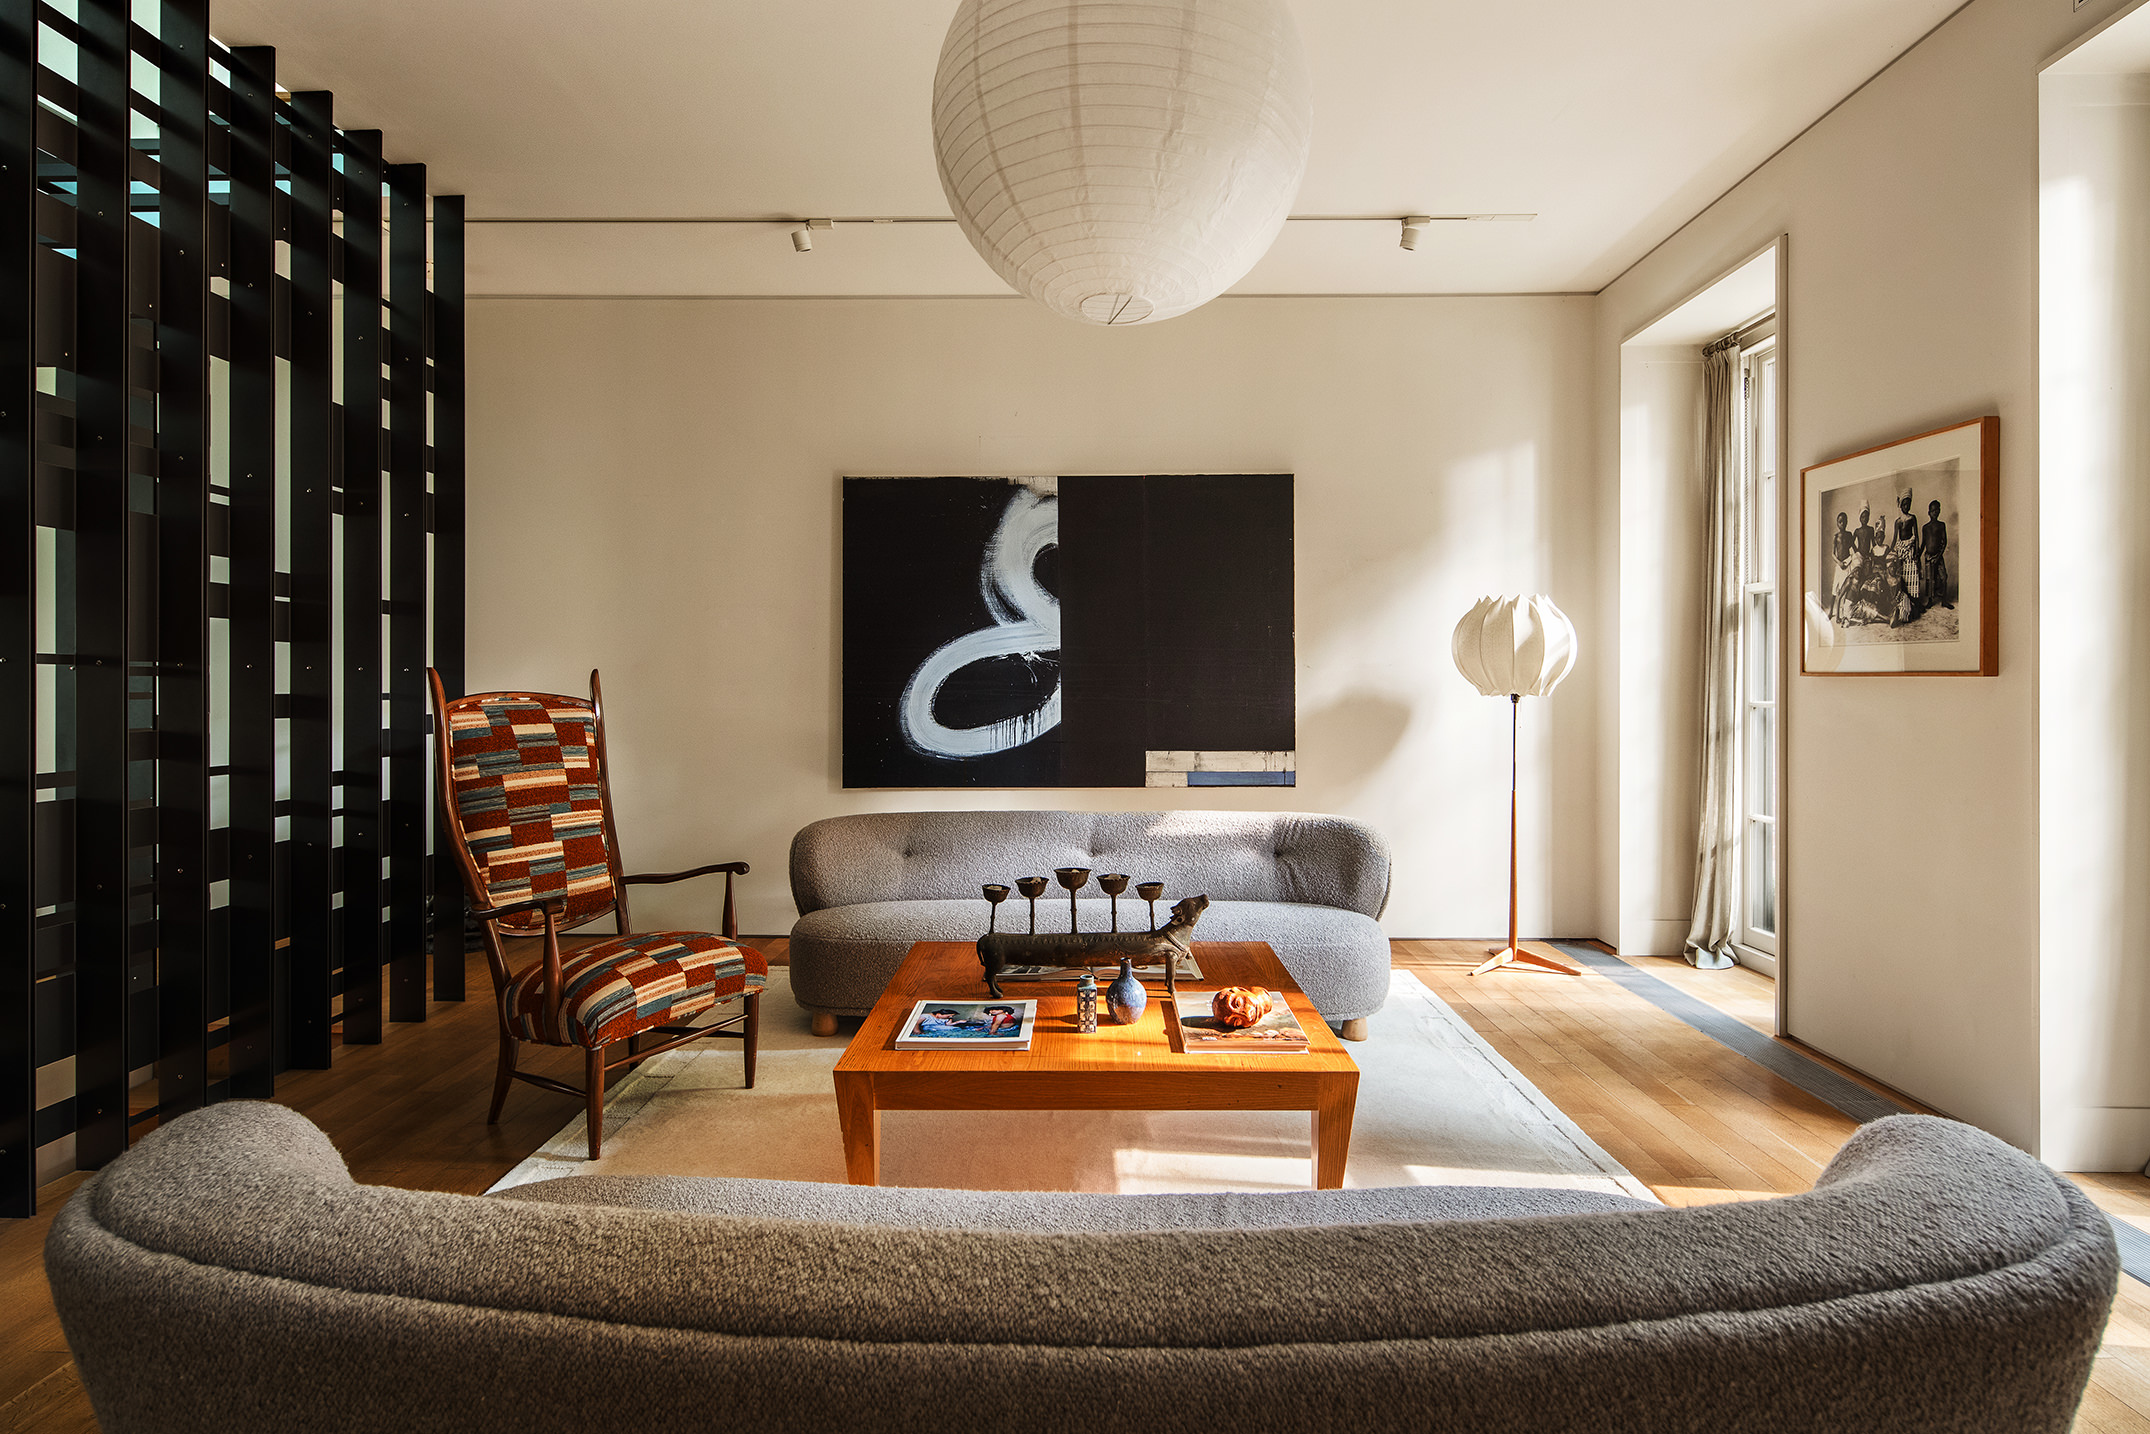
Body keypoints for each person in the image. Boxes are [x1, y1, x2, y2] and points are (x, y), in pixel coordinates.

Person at [1889, 490, 1923, 626]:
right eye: (1904, 504)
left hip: (1911, 549)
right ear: (1901, 505)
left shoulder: (1912, 518)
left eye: (1908, 504)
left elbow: (1917, 536)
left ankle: (1916, 603)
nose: (1906, 506)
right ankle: (1906, 603)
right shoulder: (1898, 522)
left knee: (1913, 576)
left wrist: (1917, 552)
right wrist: (1890, 553)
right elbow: (1894, 539)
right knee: (1902, 577)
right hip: (1901, 550)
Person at [1921, 499, 1951, 610]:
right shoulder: (1925, 527)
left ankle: (1944, 600)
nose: (1935, 512)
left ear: (1939, 511)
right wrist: (1918, 554)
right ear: (1929, 512)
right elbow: (1923, 544)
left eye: (1937, 510)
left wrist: (1938, 556)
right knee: (1930, 579)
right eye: (1933, 510)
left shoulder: (1941, 525)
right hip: (1928, 556)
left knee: (1943, 577)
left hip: (1938, 555)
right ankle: (1930, 600)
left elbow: (1944, 542)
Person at [1829, 511, 1854, 622]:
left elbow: (1853, 549)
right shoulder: (1836, 537)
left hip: (1847, 563)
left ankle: (1843, 614)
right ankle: (1831, 612)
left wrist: (1850, 561)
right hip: (1839, 565)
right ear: (1837, 523)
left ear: (1847, 522)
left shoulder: (1849, 535)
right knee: (1835, 589)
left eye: (1844, 521)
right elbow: (1832, 554)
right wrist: (1839, 563)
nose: (1842, 524)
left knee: (1845, 589)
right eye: (1840, 522)